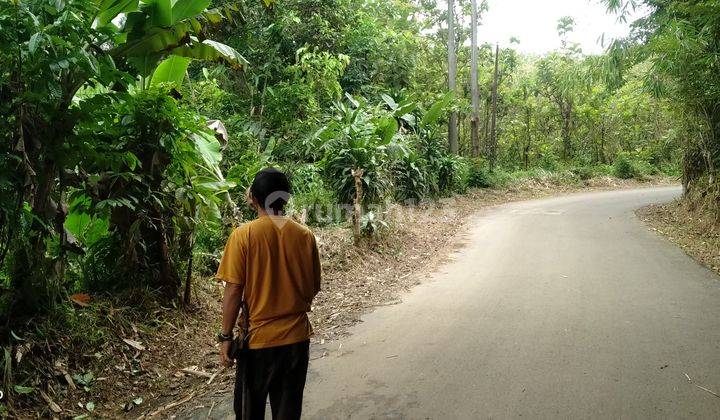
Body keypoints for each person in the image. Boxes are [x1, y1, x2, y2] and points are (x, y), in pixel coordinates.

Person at [216, 168, 321, 420]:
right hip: (296, 340)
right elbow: (313, 287)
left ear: (253, 197)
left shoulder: (243, 236)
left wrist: (225, 335)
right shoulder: (304, 236)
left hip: (257, 344)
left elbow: (233, 291)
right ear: (286, 198)